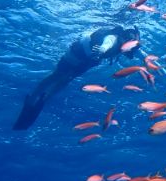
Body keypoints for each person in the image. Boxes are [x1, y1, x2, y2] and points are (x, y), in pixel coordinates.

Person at [12, 25, 140, 130]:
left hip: (86, 59)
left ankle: (42, 98)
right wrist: (101, 50)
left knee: (64, 78)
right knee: (58, 76)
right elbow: (107, 43)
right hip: (80, 54)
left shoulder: (122, 45)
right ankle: (37, 97)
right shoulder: (114, 37)